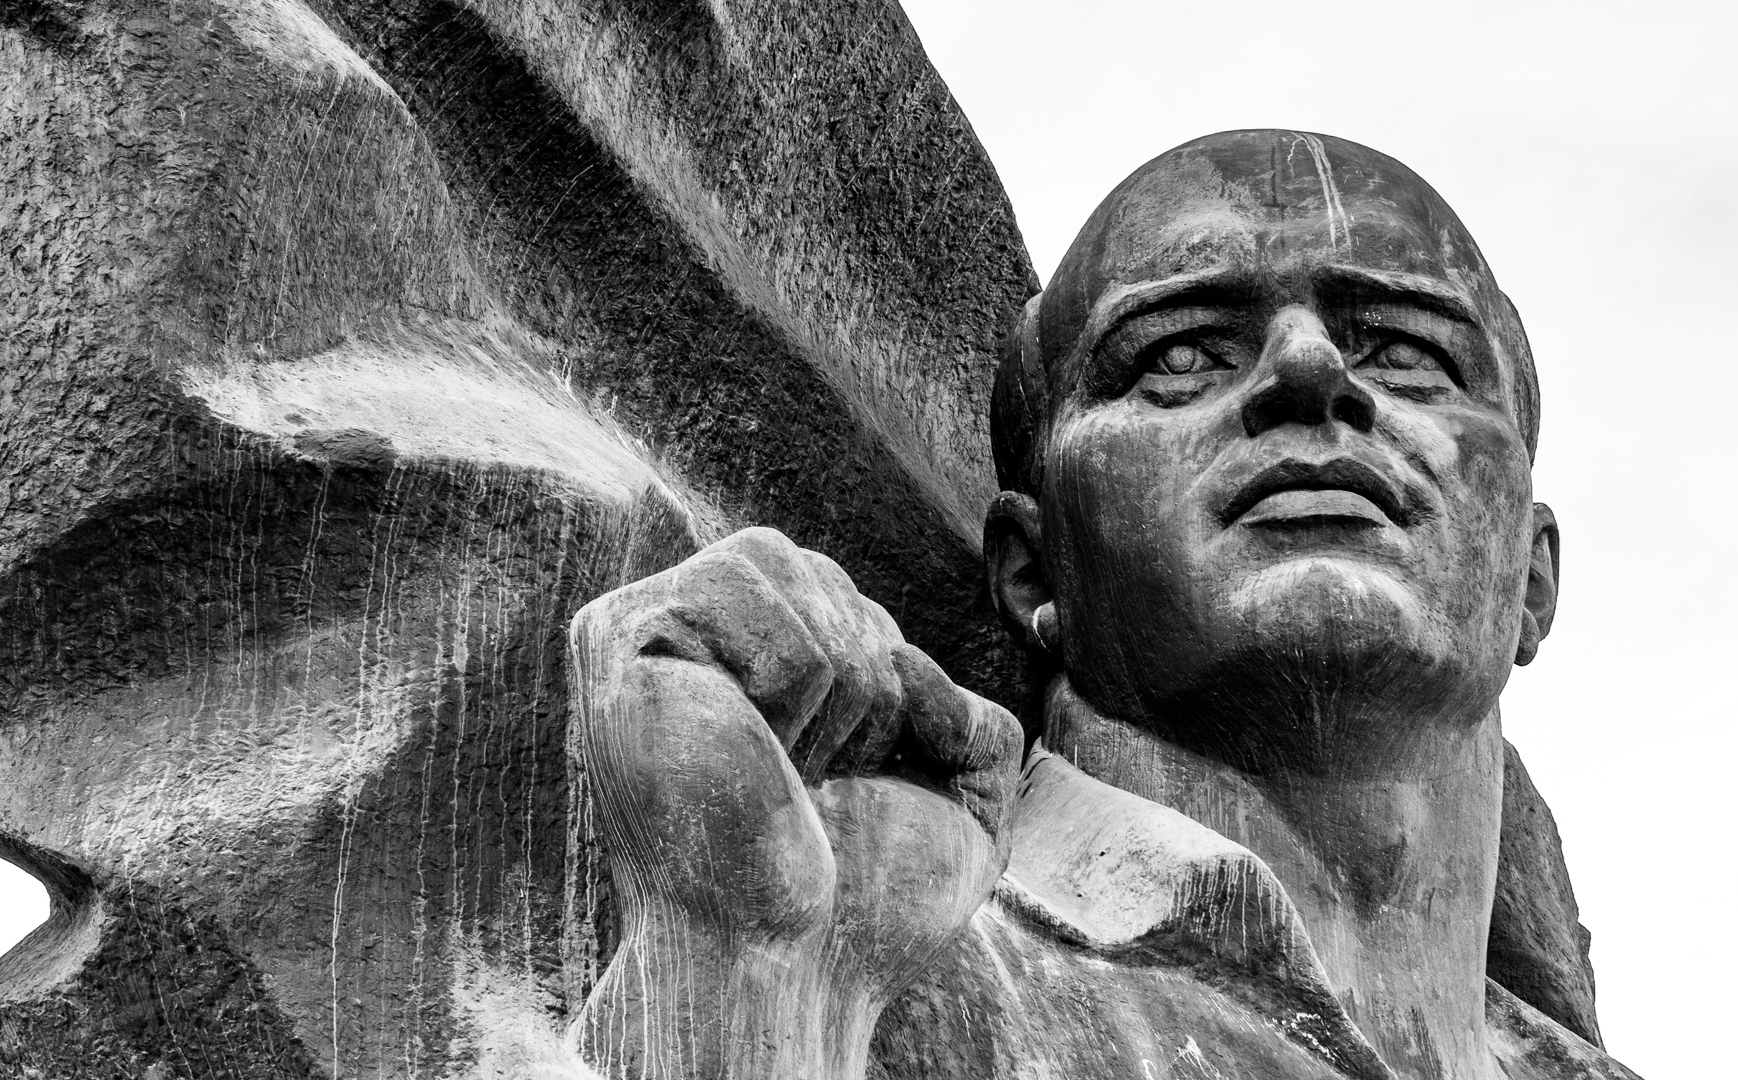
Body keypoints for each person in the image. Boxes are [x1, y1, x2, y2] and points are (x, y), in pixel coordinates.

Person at [568, 129, 1640, 1080]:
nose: (1309, 372)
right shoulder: (860, 936)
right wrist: (728, 975)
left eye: (1410, 352)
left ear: (1535, 576)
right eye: (1178, 356)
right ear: (1034, 571)